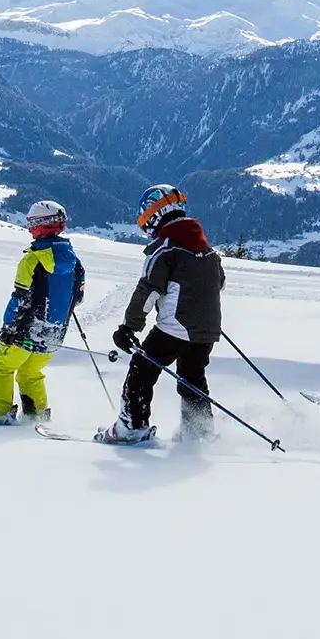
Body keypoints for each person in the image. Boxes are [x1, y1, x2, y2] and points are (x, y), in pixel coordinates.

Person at [97, 183, 227, 445]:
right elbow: (218, 283)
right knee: (192, 376)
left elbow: (147, 290)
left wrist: (128, 328)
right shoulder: (206, 248)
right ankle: (199, 431)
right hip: (207, 331)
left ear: (155, 214)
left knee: (141, 369)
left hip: (175, 327)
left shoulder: (165, 248)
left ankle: (131, 427)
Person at [0, 199, 85, 425]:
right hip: (54, 334)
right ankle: (37, 416)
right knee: (30, 373)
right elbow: (77, 297)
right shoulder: (75, 262)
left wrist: (8, 328)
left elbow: (20, 299)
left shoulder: (31, 260)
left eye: (32, 224)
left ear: (39, 226)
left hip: (25, 332)